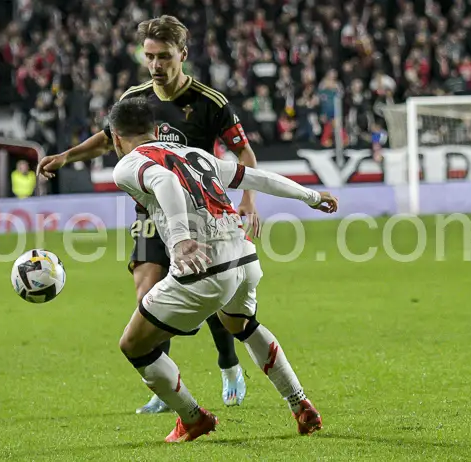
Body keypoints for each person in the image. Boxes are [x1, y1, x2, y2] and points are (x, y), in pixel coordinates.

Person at [38, 15, 260, 413]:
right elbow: (109, 140)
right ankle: (165, 387)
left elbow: (243, 152)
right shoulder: (136, 98)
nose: (156, 65)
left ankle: (228, 364)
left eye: (164, 57)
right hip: (150, 213)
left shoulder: (210, 103)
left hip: (198, 217)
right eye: (150, 56)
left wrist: (249, 200)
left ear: (183, 55)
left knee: (207, 296)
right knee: (147, 296)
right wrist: (67, 155)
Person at [107, 97, 337, 442]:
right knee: (241, 324)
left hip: (205, 266)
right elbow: (255, 177)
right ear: (156, 131)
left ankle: (192, 418)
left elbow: (165, 183)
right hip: (243, 256)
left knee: (133, 345)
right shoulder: (193, 155)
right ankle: (299, 402)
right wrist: (311, 197)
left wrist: (182, 238)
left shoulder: (127, 164)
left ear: (114, 137)